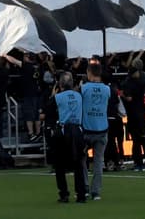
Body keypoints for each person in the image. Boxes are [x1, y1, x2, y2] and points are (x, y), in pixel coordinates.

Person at [49, 71, 86, 203]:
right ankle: (81, 194)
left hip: (64, 131)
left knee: (59, 165)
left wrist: (53, 94)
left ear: (60, 84)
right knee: (78, 164)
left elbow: (49, 111)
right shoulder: (79, 96)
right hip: (78, 130)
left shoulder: (58, 97)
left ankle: (64, 194)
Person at [80, 62, 110, 200]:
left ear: (89, 73)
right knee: (98, 162)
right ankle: (96, 192)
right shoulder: (107, 89)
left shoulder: (84, 88)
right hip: (102, 129)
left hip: (86, 129)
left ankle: (85, 188)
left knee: (82, 160)